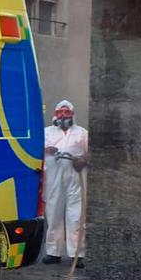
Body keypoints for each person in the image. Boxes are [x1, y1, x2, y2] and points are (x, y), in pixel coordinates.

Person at [43, 99, 88, 267]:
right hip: (53, 179)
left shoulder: (82, 133)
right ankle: (53, 252)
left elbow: (92, 152)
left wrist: (83, 159)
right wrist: (45, 150)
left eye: (66, 113)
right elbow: (34, 151)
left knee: (76, 216)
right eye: (60, 113)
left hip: (76, 178)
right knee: (54, 214)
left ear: (72, 115)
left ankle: (77, 254)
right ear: (55, 115)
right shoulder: (46, 132)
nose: (63, 116)